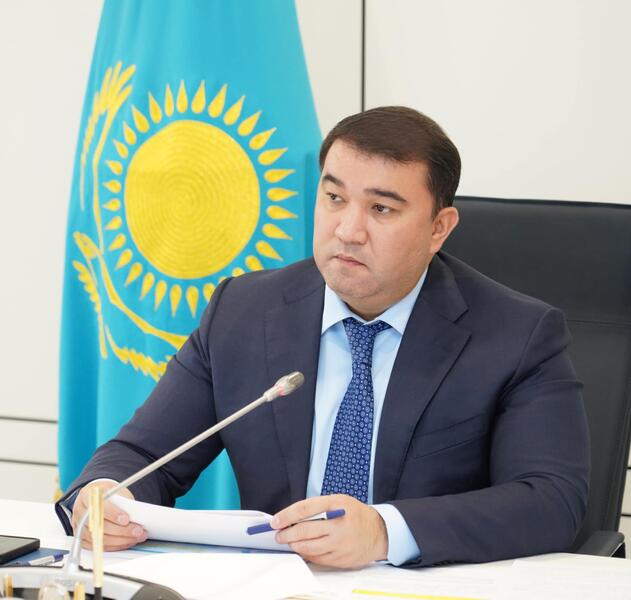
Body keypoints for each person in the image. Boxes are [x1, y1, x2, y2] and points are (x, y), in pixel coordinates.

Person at [56, 106, 590, 568]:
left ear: (439, 228)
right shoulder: (243, 311)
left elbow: (552, 500)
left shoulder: (517, 336)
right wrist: (103, 496)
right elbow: (142, 452)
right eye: (334, 198)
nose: (348, 230)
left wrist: (383, 532)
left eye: (381, 209)